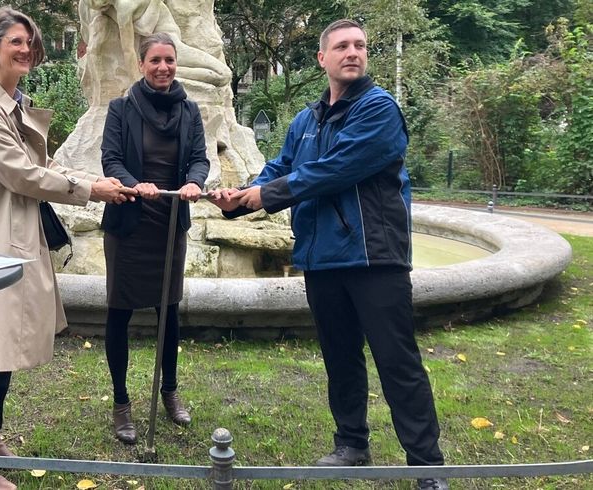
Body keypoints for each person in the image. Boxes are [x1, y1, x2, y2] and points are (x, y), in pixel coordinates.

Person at [211, 19, 448, 490]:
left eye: (359, 45)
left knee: (396, 361)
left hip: (373, 257)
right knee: (340, 358)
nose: (353, 52)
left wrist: (269, 194)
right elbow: (280, 167)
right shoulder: (306, 120)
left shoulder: (379, 109)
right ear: (323, 58)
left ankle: (426, 466)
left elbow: (335, 169)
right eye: (342, 46)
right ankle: (351, 444)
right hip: (322, 259)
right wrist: (241, 197)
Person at [0, 7, 136, 489]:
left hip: (21, 232)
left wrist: (95, 179)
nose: (25, 49)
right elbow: (20, 174)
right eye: (15, 41)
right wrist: (90, 191)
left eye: (29, 42)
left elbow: (47, 165)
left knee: (6, 339)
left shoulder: (16, 104)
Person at [99, 32, 209, 445]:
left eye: (169, 60)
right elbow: (110, 158)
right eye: (155, 60)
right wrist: (134, 183)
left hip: (169, 223)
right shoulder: (121, 109)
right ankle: (122, 403)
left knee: (170, 312)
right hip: (130, 225)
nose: (163, 67)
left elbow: (199, 157)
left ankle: (169, 392)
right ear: (141, 64)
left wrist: (195, 182)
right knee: (119, 312)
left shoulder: (190, 110)